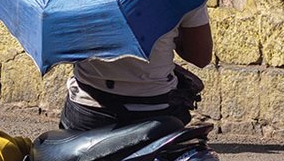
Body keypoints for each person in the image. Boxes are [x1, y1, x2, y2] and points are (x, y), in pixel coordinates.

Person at [61, 7, 212, 132]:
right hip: (157, 109)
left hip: (88, 109)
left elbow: (67, 46)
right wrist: (173, 34)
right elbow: (200, 57)